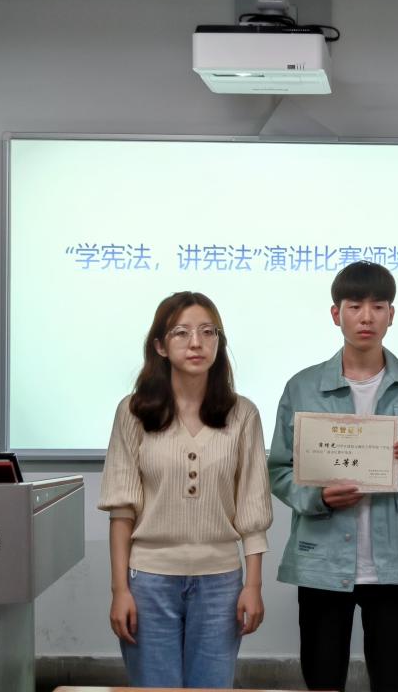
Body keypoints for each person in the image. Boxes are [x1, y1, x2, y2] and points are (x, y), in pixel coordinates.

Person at [267, 261, 398, 692]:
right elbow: (279, 470)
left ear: (391, 314)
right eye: (355, 306)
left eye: (378, 306)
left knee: (393, 679)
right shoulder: (302, 387)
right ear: (336, 314)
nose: (367, 317)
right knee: (323, 679)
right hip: (322, 560)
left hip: (394, 563)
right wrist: (318, 498)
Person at [98, 291, 273, 689]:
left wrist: (253, 585)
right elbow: (122, 512)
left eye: (208, 332)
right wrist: (120, 589)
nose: (197, 343)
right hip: (149, 581)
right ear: (160, 345)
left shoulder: (243, 414)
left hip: (221, 582)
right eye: (182, 332)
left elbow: (252, 510)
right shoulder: (133, 412)